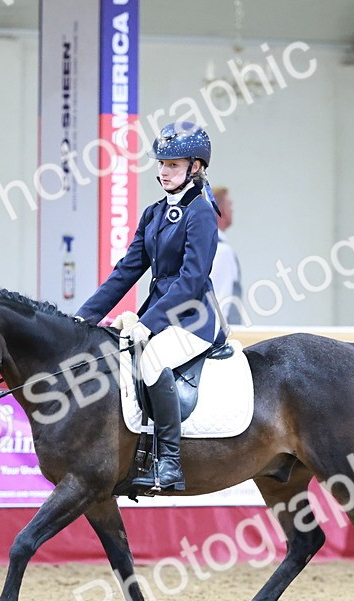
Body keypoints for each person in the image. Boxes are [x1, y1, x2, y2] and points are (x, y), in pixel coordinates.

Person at [75, 121, 226, 493]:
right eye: (161, 163)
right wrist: (83, 318)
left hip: (193, 319)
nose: (163, 171)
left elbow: (191, 280)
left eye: (173, 165)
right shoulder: (154, 213)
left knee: (153, 360)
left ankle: (169, 462)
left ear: (195, 167)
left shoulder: (202, 212)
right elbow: (126, 271)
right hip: (160, 315)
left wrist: (149, 322)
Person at [210, 186, 244, 325]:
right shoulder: (222, 250)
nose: (232, 210)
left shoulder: (207, 246)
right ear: (221, 210)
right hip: (225, 331)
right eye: (230, 206)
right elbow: (221, 300)